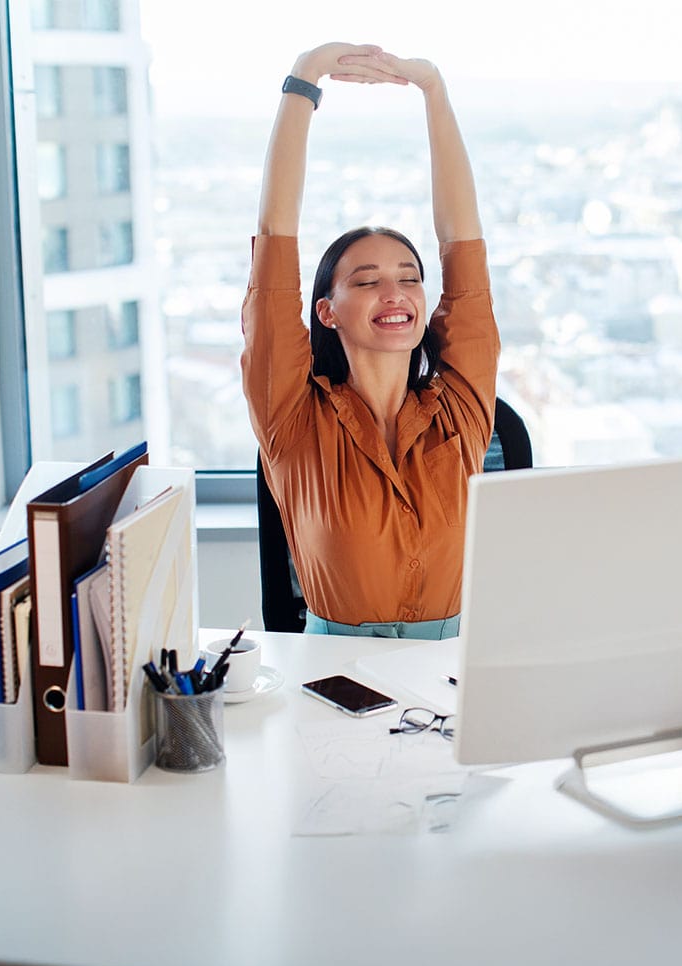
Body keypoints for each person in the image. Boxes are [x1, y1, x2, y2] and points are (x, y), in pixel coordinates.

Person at [241, 43, 499, 639]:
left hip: (450, 675)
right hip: (333, 677)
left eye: (409, 279)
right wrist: (304, 79)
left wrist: (433, 89)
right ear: (327, 312)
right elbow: (274, 240)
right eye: (366, 281)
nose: (395, 294)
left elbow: (463, 244)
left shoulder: (460, 411)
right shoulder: (292, 419)